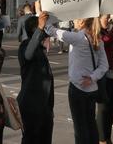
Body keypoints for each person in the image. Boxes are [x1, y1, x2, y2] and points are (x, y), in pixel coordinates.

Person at [44, 14, 109, 144]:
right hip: (92, 88)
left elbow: (51, 30)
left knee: (80, 128)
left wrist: (41, 13)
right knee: (91, 124)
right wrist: (92, 77)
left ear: (82, 22)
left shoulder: (78, 37)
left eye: (76, 18)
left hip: (78, 88)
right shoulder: (98, 39)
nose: (73, 21)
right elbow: (104, 65)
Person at [18, 12, 54, 144]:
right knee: (31, 139)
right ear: (35, 30)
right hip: (31, 106)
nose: (45, 31)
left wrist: (50, 108)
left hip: (44, 107)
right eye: (42, 28)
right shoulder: (25, 46)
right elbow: (28, 54)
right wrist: (40, 28)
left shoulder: (40, 48)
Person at [96, 12, 113, 144]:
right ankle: (101, 139)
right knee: (103, 108)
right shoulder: (97, 33)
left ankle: (107, 137)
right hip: (103, 75)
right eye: (106, 18)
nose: (108, 20)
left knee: (112, 107)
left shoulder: (105, 31)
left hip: (111, 74)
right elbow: (107, 41)